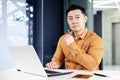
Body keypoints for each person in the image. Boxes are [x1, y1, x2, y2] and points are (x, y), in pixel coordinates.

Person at [46, 4, 104, 71]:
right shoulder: (63, 39)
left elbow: (92, 65)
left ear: (85, 19)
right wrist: (54, 64)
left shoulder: (95, 39)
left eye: (77, 17)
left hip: (89, 78)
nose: (74, 21)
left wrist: (72, 45)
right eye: (70, 18)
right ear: (67, 21)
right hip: (69, 77)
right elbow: (57, 59)